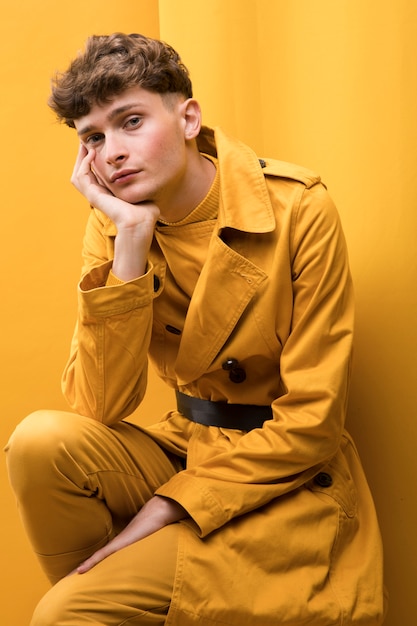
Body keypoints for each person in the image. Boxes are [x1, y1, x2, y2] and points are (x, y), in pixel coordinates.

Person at [5, 33, 386, 625]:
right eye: (93, 138)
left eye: (131, 121)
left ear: (188, 119)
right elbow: (98, 407)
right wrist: (128, 243)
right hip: (187, 444)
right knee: (39, 444)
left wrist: (171, 504)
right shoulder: (114, 223)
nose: (111, 153)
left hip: (283, 471)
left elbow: (314, 421)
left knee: (66, 614)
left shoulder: (297, 208)